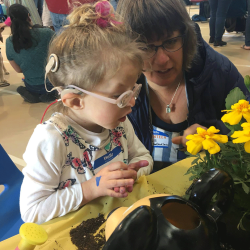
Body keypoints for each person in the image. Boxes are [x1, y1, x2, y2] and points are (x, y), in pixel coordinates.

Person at [20, 0, 153, 224]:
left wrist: (129, 174)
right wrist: (92, 188)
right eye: (119, 96)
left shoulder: (118, 123)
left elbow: (144, 157)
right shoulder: (51, 141)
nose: (132, 103)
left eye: (133, 90)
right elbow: (33, 211)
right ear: (74, 101)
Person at [117, 0, 249, 170]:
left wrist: (215, 132)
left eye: (171, 41)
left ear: (186, 38)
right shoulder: (117, 88)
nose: (162, 59)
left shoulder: (218, 71)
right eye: (146, 47)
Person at [6, 4, 56, 103]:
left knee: (28, 84)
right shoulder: (47, 33)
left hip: (32, 86)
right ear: (28, 16)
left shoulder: (10, 42)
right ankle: (50, 94)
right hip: (52, 83)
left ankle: (33, 94)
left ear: (11, 21)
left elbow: (18, 70)